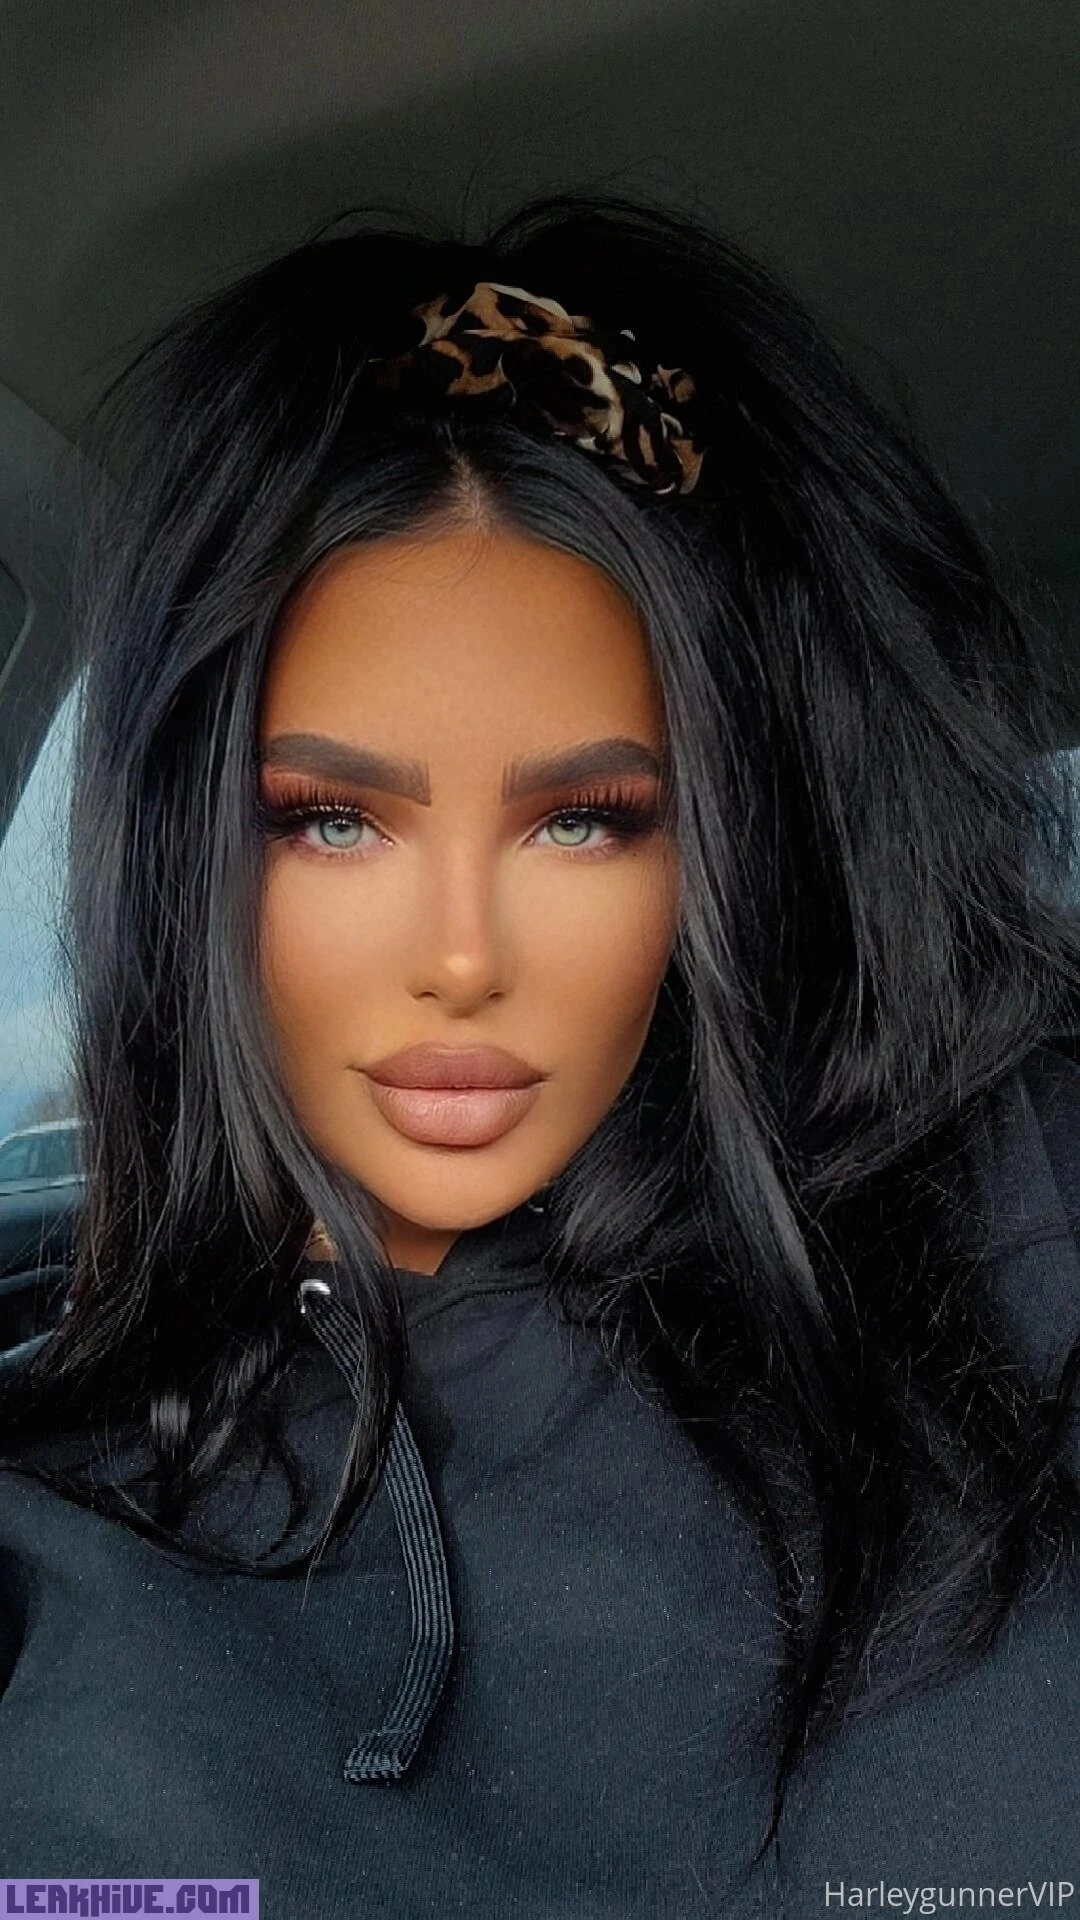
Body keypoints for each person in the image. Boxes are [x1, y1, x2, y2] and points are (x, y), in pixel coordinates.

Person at [0, 190, 1078, 1916]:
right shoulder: (56, 1511)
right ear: (185, 853)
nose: (460, 957)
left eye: (584, 821)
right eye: (330, 819)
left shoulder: (1017, 1249)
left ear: (727, 845)